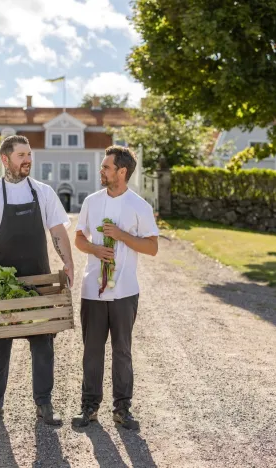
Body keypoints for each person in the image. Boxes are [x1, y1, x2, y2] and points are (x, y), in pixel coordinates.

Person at [0, 135, 74, 427]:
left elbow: (58, 230)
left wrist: (69, 263)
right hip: (1, 285)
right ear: (5, 159)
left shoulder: (44, 192)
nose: (28, 160)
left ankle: (44, 405)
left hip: (38, 280)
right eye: (21, 154)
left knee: (43, 344)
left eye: (29, 154)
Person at [72, 145, 159, 430]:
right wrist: (96, 250)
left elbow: (152, 247)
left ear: (122, 172)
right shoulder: (91, 202)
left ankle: (123, 409)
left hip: (124, 292)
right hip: (92, 291)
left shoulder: (140, 206)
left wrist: (121, 235)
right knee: (92, 351)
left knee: (122, 350)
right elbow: (79, 239)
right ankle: (89, 408)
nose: (102, 170)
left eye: (107, 167)